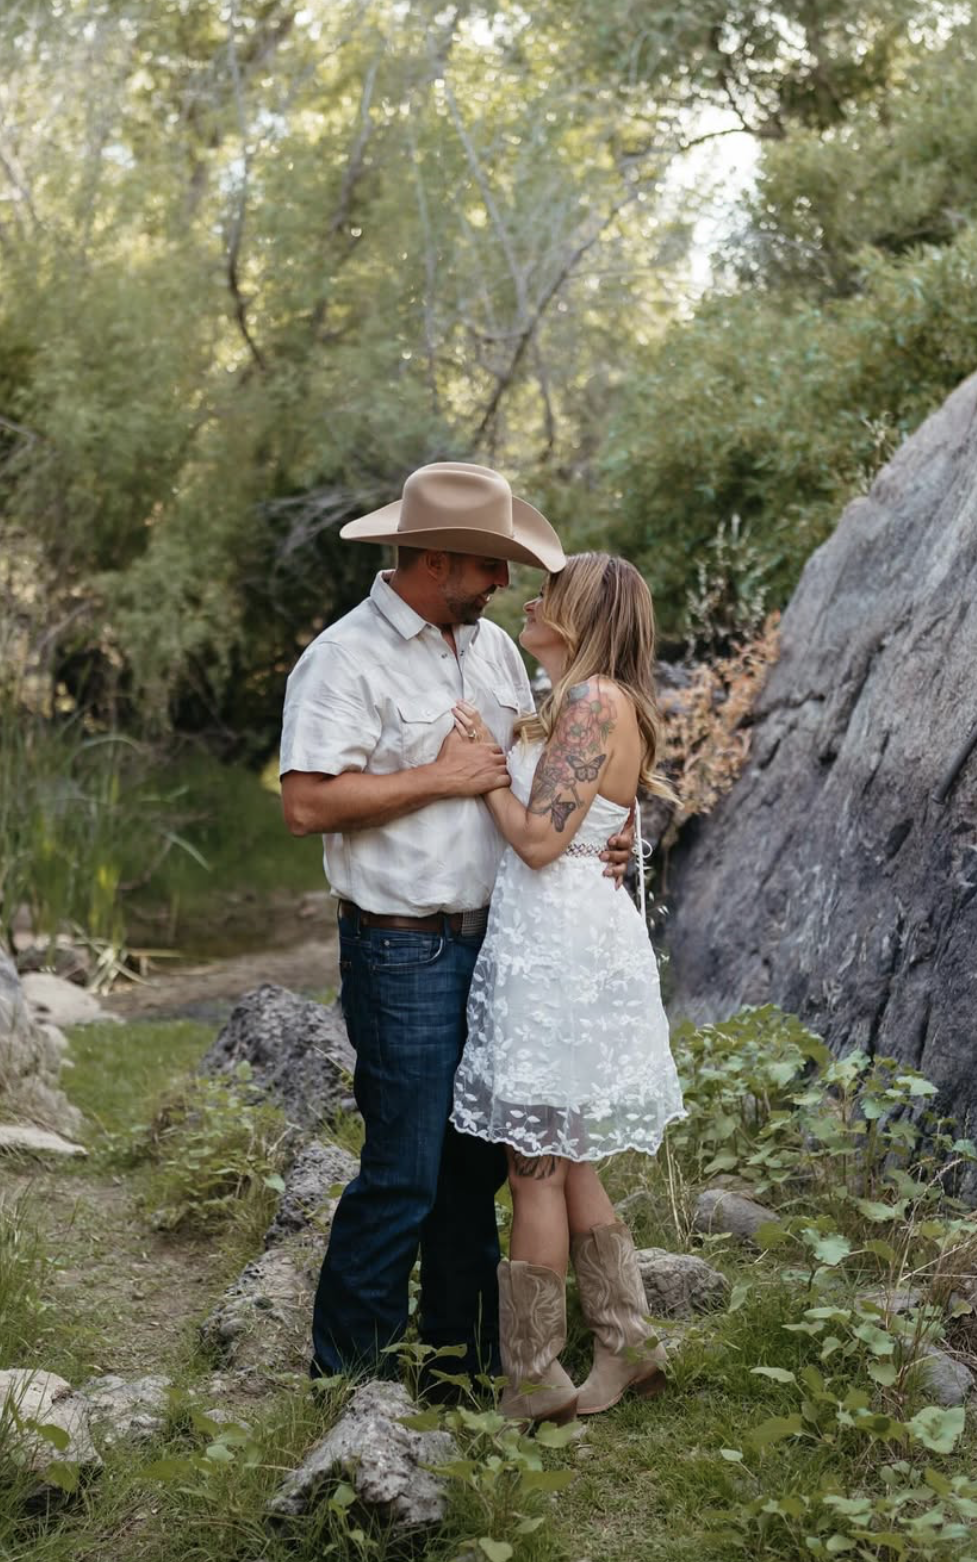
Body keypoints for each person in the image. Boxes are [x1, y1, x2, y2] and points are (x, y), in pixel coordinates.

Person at [279, 463, 633, 1382]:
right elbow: (308, 805)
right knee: (404, 1170)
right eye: (491, 568)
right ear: (437, 560)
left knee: (476, 1172)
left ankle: (462, 1369)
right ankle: (348, 1382)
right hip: (403, 947)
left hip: (505, 946)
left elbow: (540, 776)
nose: (507, 586)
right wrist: (441, 776)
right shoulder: (343, 658)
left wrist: (608, 830)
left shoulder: (493, 653)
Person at [449, 552, 687, 1424]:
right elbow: (599, 826)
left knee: (533, 1174)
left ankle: (534, 1374)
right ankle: (627, 1343)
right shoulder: (589, 704)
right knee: (569, 1158)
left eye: (548, 594)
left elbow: (541, 843)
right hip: (570, 940)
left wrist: (478, 775)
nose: (530, 599)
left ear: (577, 616)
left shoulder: (591, 703)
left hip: (558, 954)